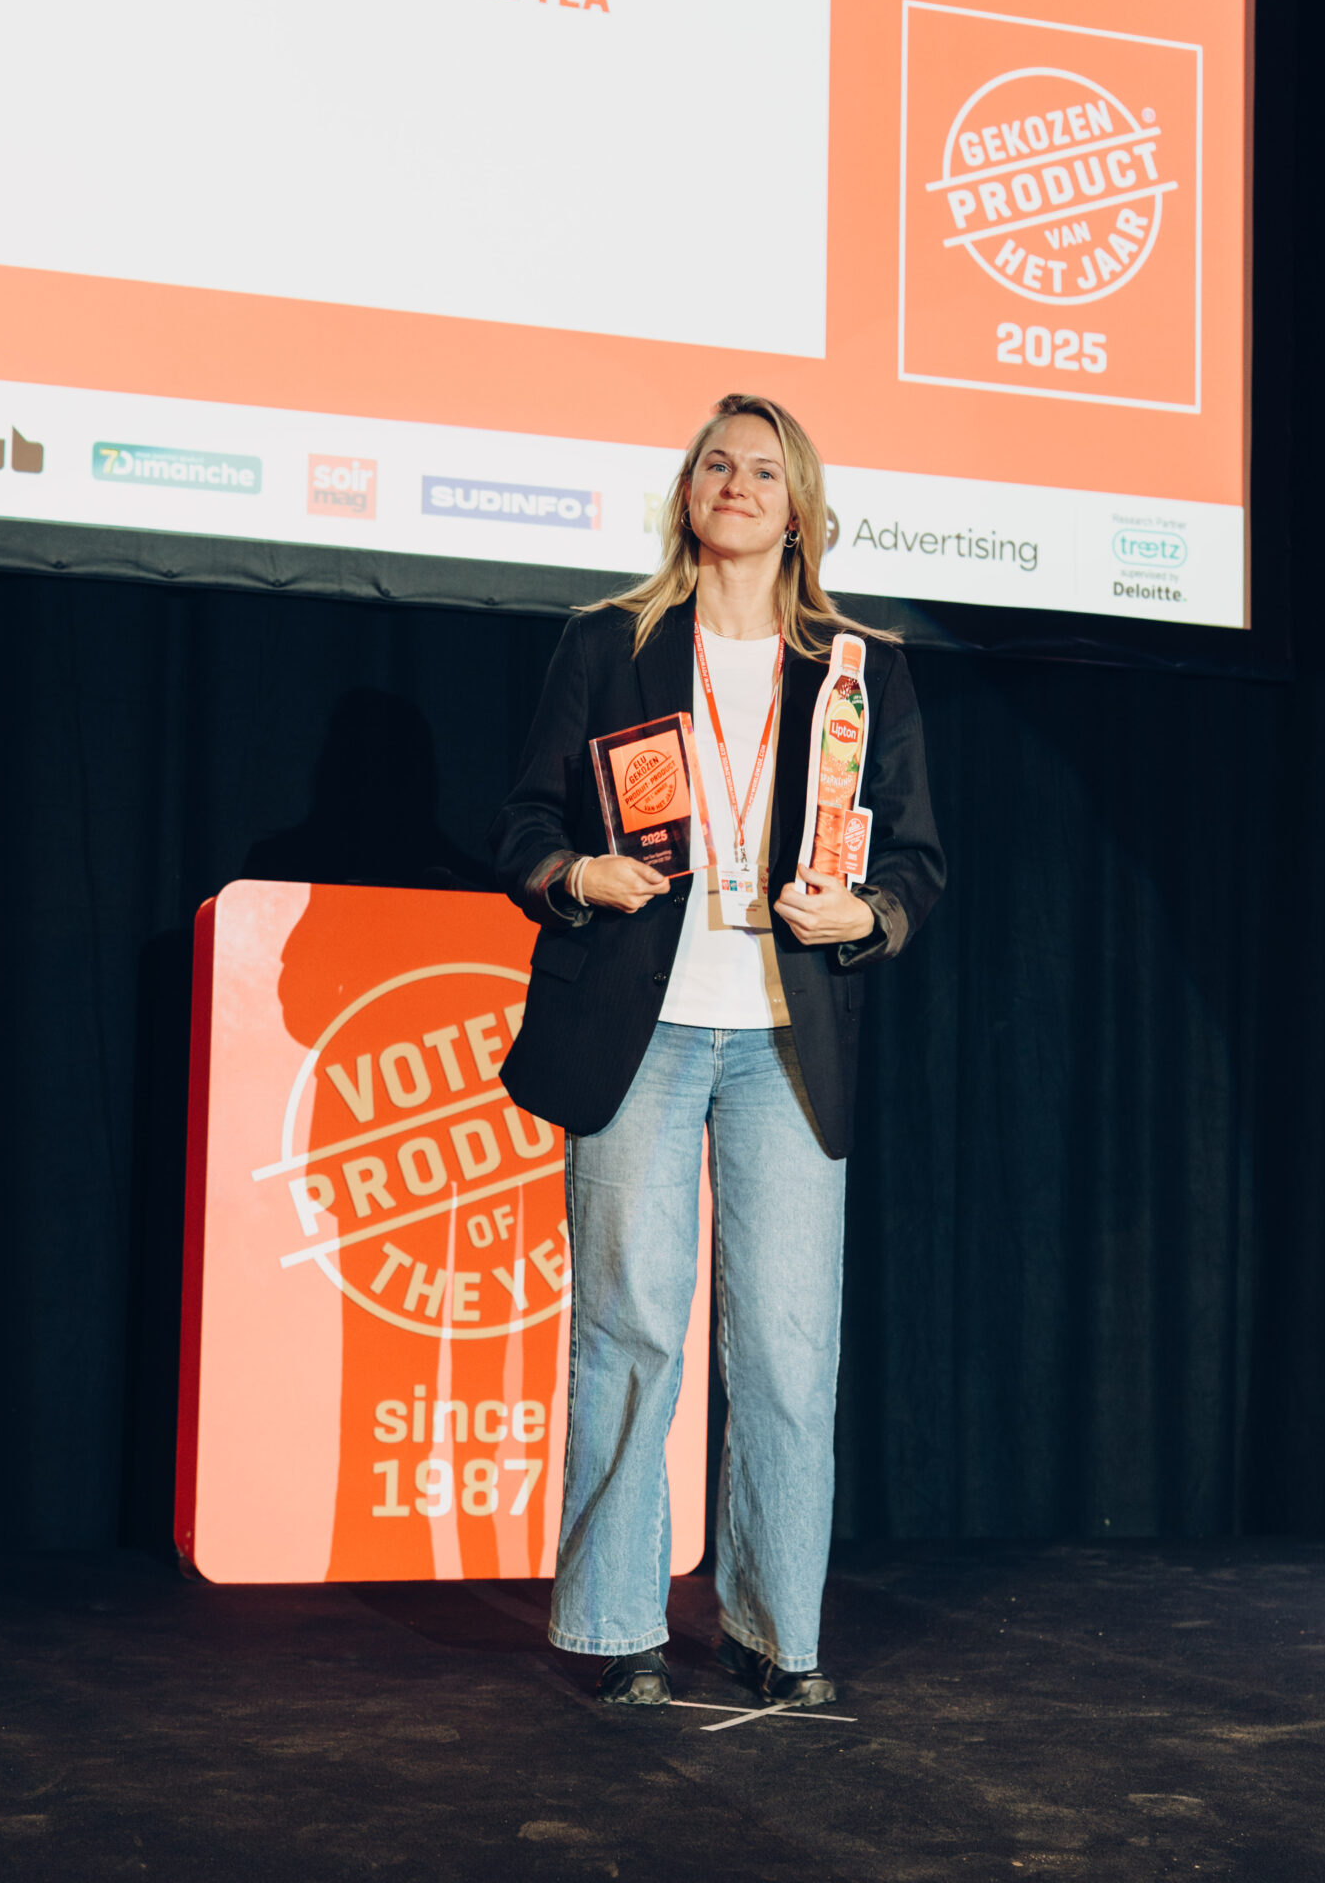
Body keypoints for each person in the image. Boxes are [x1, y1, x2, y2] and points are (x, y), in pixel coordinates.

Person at [491, 392, 944, 1707]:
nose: (736, 484)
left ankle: (774, 1635)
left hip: (787, 1043)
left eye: (763, 470)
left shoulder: (861, 669)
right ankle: (614, 1627)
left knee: (791, 1351)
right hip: (637, 1031)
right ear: (688, 495)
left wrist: (867, 915)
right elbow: (525, 828)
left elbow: (917, 860)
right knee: (628, 1331)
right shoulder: (609, 644)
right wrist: (580, 874)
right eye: (715, 465)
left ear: (801, 509)